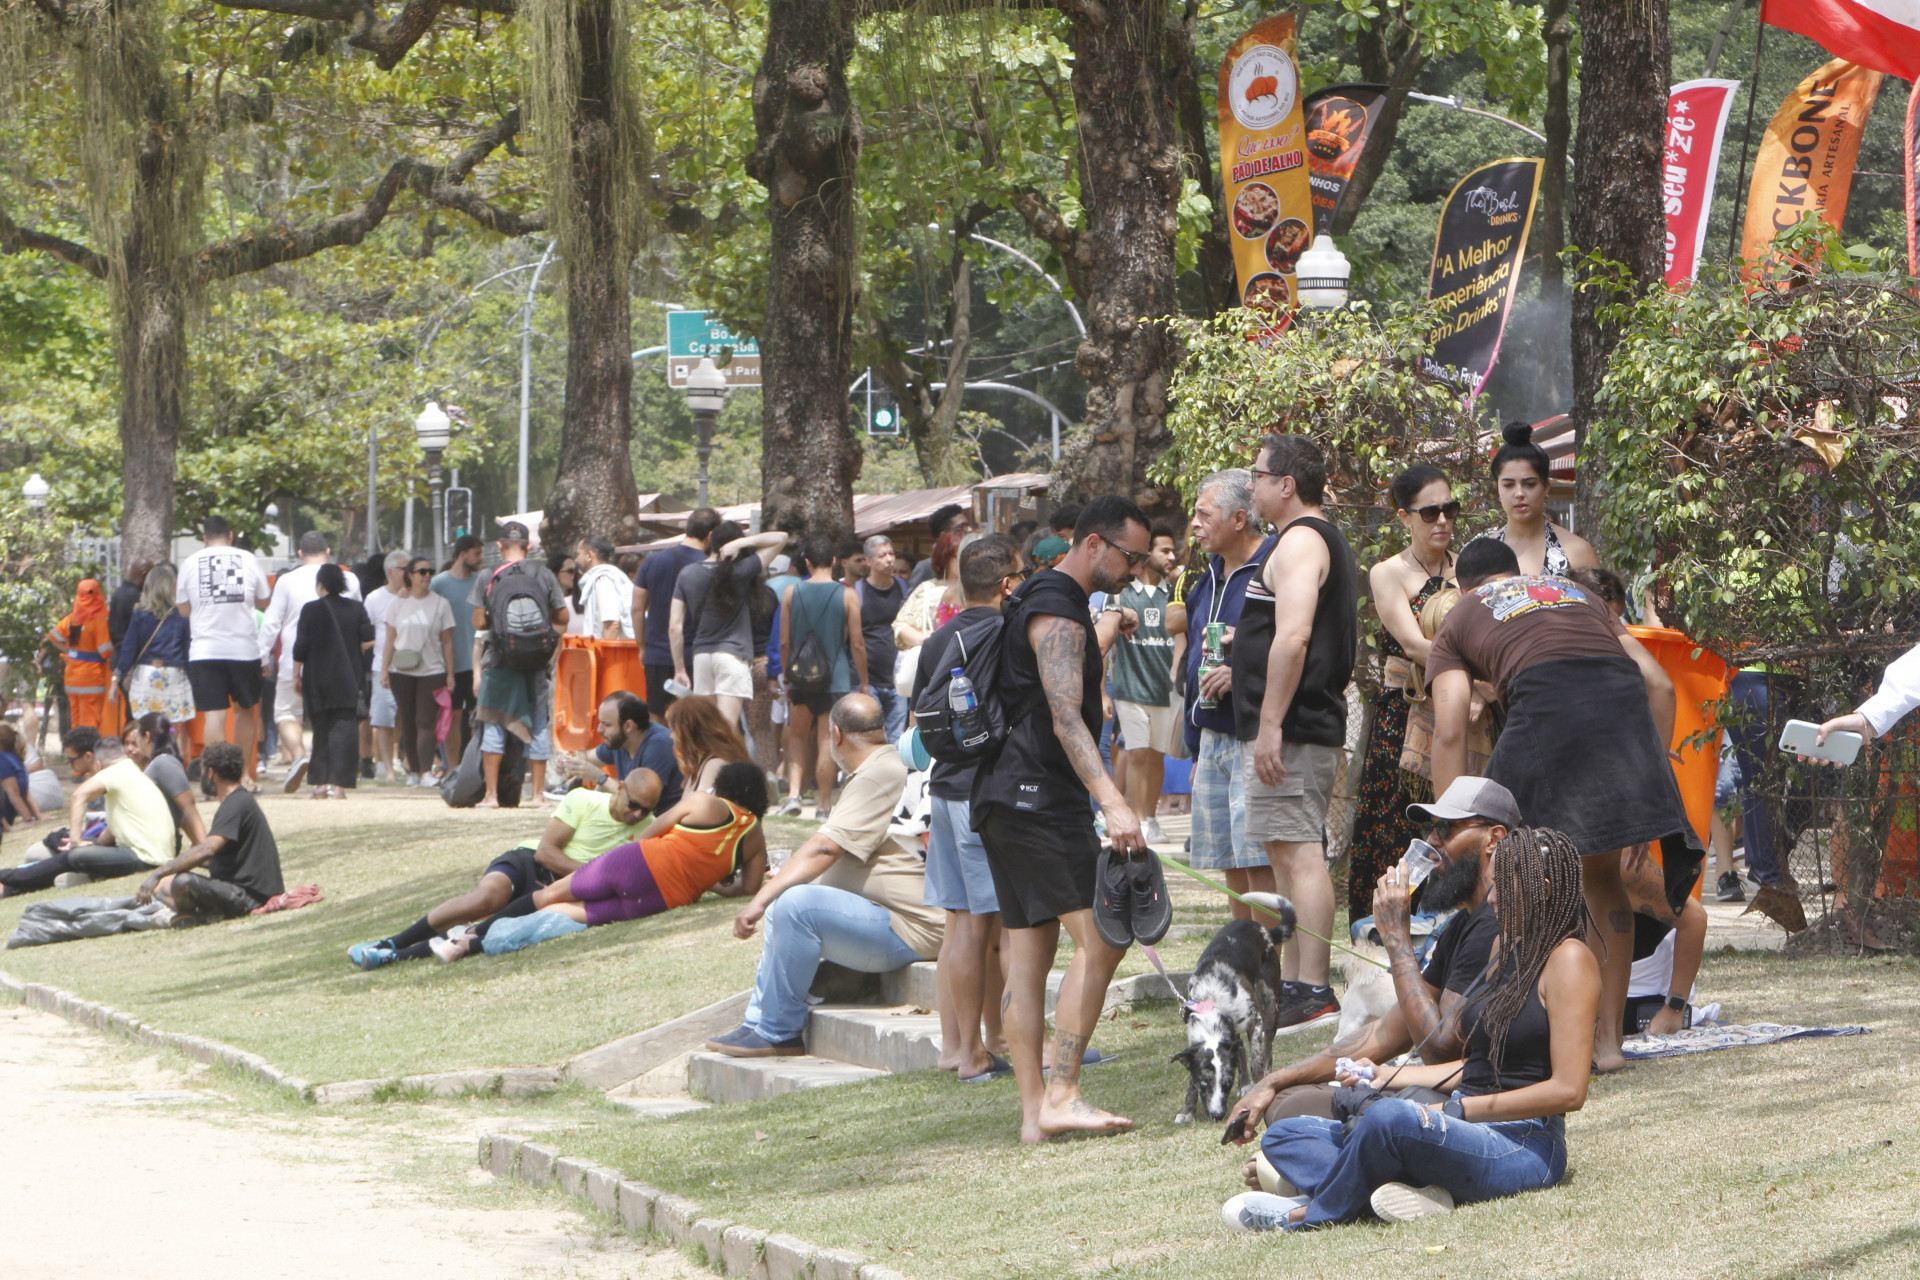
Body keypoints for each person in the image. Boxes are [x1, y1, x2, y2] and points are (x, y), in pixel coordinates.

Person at [1224, 825, 1599, 1232]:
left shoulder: (1570, 960)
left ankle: (1305, 1212)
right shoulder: (1504, 947)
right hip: (1461, 1127)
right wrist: (1384, 1075)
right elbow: (1475, 1065)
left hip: (1522, 1142)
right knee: (1286, 1135)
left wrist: (1454, 1110)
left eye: (1502, 891)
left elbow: (1569, 1090)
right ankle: (1407, 1190)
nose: (1491, 899)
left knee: (1390, 1120)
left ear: (1541, 890)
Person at [1426, 536, 1698, 1072]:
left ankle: (1507, 1038)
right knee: (1601, 881)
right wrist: (1645, 785)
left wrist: (1451, 827)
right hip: (1620, 713)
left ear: (1464, 586)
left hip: (1545, 702)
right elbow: (1659, 685)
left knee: (1509, 874)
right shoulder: (1576, 594)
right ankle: (1607, 1048)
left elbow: (1452, 728)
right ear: (1515, 571)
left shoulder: (1460, 617)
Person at [975, 496, 1152, 1143]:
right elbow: (1064, 713)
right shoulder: (1057, 607)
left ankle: (1033, 1114)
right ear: (1096, 545)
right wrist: (1111, 798)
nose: (1135, 568)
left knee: (1029, 956)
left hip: (1001, 798)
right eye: (1130, 556)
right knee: (1103, 937)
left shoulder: (1043, 600)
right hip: (1039, 799)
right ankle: (1063, 1091)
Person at [1226, 776, 1517, 1132]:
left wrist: (1396, 938)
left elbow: (1441, 1048)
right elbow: (1389, 1033)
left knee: (1294, 1113)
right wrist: (1276, 1080)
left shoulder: (1495, 923)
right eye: (1430, 827)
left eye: (1446, 827)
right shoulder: (1463, 924)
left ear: (1495, 838)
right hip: (1430, 1094)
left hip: (1465, 1109)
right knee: (1289, 1099)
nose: (1431, 840)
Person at [706, 695, 942, 1055]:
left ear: (836, 734)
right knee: (788, 901)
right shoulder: (883, 764)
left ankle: (778, 1032)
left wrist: (759, 899)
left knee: (794, 904)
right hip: (893, 919)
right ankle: (758, 1022)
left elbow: (824, 848)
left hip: (914, 927)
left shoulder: (879, 772)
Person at [1237, 433, 1357, 1029]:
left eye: (1258, 475)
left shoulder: (1302, 541)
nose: (1251, 484)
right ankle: (1293, 984)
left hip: (1295, 727)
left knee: (1301, 853)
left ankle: (1312, 987)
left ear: (1287, 485)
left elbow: (1295, 635)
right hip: (1294, 724)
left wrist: (1270, 724)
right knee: (1284, 852)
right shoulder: (1297, 542)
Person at [425, 763, 769, 960]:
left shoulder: (704, 803)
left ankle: (469, 934)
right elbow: (748, 888)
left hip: (637, 863)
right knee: (578, 914)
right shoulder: (755, 837)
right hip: (663, 897)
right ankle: (470, 947)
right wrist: (705, 880)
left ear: (725, 787)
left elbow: (652, 834)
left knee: (548, 897)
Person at [347, 766, 665, 968]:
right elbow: (546, 853)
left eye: (646, 810)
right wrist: (585, 877)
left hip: (559, 890)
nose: (637, 815)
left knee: (480, 930)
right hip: (528, 862)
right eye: (633, 805)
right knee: (485, 900)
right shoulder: (582, 799)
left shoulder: (648, 829)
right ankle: (394, 941)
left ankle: (390, 957)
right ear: (620, 787)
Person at [915, 534, 1024, 1082]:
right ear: (1006, 584)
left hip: (943, 788)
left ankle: (956, 1048)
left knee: (959, 923)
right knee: (992, 928)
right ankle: (983, 1052)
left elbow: (919, 723)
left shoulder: (938, 640)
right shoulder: (1006, 633)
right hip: (987, 792)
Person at [1349, 465, 1459, 922]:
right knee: (1399, 828)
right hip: (1406, 718)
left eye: (1450, 510)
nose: (1442, 522)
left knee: (1457, 825)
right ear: (1404, 517)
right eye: (1430, 512)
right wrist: (1470, 672)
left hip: (1466, 715)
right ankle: (1387, 936)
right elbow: (1414, 645)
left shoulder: (1467, 566)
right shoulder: (1387, 572)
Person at [1181, 470, 1281, 919]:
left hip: (1252, 735)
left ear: (1240, 518)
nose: (1195, 525)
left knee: (1259, 861)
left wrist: (1237, 668)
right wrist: (1196, 748)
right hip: (1213, 738)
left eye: (1205, 514)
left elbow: (1295, 644)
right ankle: (1242, 967)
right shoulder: (1206, 578)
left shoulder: (1273, 567)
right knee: (1230, 864)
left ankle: (1268, 972)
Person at [470, 521, 569, 808]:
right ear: (528, 547)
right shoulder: (543, 574)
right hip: (536, 662)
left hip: (499, 661)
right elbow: (562, 618)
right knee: (538, 724)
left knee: (494, 721)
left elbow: (478, 621)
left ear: (500, 546)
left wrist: (500, 623)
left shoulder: (488, 576)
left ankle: (491, 796)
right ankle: (538, 795)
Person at [0, 734, 174, 896]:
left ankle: (8, 876)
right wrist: (93, 844)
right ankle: (9, 887)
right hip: (154, 853)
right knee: (77, 849)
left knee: (75, 856)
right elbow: (114, 828)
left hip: (146, 859)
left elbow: (78, 796)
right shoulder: (132, 771)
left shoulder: (114, 772)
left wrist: (76, 841)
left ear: (98, 763)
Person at [134, 741, 286, 921]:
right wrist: (177, 864)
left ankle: (195, 917)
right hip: (248, 893)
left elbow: (207, 849)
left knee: (183, 882)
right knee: (165, 885)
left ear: (211, 773)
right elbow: (222, 859)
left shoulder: (235, 803)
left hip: (251, 898)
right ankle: (192, 914)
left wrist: (158, 873)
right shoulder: (239, 801)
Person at [259, 530, 362, 787]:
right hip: (339, 663)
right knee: (331, 720)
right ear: (328, 552)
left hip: (295, 659)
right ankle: (331, 780)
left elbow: (272, 623)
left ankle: (299, 755)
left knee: (285, 712)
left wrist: (262, 657)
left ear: (300, 554)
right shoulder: (349, 579)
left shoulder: (287, 581)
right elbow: (360, 622)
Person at [1100, 526, 1181, 847]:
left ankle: (1150, 819)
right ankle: (1134, 817)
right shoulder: (1120, 592)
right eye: (1165, 550)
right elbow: (1105, 646)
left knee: (1157, 755)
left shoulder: (1176, 592)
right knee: (1136, 754)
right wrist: (1102, 691)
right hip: (1130, 688)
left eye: (1173, 550)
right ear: (1147, 555)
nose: (1172, 556)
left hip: (1165, 689)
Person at [781, 536, 868, 821]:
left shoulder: (791, 593)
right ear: (834, 561)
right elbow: (856, 643)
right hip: (836, 678)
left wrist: (786, 676)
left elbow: (784, 642)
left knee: (795, 737)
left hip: (800, 678)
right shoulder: (848, 595)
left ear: (806, 562)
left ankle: (793, 795)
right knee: (826, 741)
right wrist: (864, 681)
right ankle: (823, 805)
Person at [671, 522, 788, 726]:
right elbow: (781, 538)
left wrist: (679, 668)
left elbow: (674, 626)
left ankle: (709, 759)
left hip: (701, 657)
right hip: (733, 656)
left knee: (708, 728)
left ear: (711, 541)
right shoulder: (741, 571)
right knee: (727, 728)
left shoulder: (686, 574)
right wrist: (744, 542)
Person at [292, 563, 375, 800]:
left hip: (317, 678)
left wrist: (296, 674)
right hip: (348, 677)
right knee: (345, 731)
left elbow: (301, 646)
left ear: (321, 584)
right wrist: (352, 651)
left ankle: (320, 784)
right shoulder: (356, 608)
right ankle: (340, 787)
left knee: (321, 731)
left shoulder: (310, 610)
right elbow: (369, 640)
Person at [382, 555, 457, 787]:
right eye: (421, 571)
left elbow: (447, 641)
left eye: (429, 571)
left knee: (425, 721)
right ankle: (413, 770)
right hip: (401, 670)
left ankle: (425, 771)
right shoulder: (398, 603)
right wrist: (384, 670)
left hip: (432, 670)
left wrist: (450, 674)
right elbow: (390, 639)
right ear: (410, 575)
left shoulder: (440, 604)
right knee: (408, 721)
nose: (426, 576)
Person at [636, 510, 718, 718]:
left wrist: (642, 647)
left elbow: (637, 608)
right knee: (693, 720)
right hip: (695, 655)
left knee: (657, 717)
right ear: (711, 535)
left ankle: (662, 751)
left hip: (657, 654)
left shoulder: (652, 562)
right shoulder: (711, 567)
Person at [1489, 422, 1596, 577]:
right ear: (1497, 489)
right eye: (1508, 485)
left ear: (1546, 486)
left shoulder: (1577, 552)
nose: (1519, 493)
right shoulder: (1483, 555)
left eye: (1529, 484)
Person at [557, 692, 684, 808]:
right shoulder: (620, 740)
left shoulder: (659, 746)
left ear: (628, 726)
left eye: (607, 724)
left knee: (600, 790)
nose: (599, 730)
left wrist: (600, 777)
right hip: (641, 819)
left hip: (660, 822)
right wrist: (568, 760)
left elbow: (639, 804)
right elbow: (588, 757)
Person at [430, 534, 486, 767]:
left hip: (477, 664)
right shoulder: (439, 584)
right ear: (463, 555)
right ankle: (451, 767)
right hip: (449, 664)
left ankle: (473, 768)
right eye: (476, 553)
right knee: (452, 717)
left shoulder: (480, 581)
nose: (480, 558)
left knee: (477, 718)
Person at [114, 563, 193, 727]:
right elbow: (187, 649)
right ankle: (169, 750)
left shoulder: (139, 614)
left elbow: (129, 648)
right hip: (174, 674)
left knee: (145, 725)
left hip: (145, 674)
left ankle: (148, 751)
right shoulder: (182, 615)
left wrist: (117, 678)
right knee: (172, 725)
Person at [125, 713, 207, 852]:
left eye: (136, 736)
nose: (135, 743)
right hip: (147, 841)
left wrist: (203, 847)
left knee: (80, 856)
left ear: (147, 736)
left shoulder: (164, 763)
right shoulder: (157, 763)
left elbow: (187, 806)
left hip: (154, 846)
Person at [365, 550, 411, 783]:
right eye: (405, 568)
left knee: (405, 716)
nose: (410, 572)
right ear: (390, 572)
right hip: (382, 667)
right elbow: (365, 634)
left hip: (413, 666)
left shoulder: (417, 596)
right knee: (383, 718)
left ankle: (398, 759)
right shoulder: (374, 599)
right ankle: (386, 767)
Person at [855, 535, 907, 741]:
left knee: (896, 739)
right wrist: (862, 681)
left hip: (897, 679)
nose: (889, 559)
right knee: (870, 738)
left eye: (891, 554)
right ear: (868, 561)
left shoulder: (903, 588)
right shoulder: (858, 592)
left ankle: (895, 774)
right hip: (868, 681)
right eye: (882, 555)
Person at [48, 580, 115, 733]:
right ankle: (87, 752)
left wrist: (71, 652)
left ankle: (75, 752)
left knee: (75, 721)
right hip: (91, 679)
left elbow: (53, 637)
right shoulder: (99, 620)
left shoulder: (72, 618)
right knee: (89, 722)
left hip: (72, 678)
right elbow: (105, 651)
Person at [665, 695, 752, 795]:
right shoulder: (697, 765)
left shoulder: (714, 764)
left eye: (673, 731)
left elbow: (701, 807)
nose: (671, 736)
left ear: (688, 733)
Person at [577, 535, 636, 640]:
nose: (576, 559)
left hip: (613, 654)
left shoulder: (603, 580)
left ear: (589, 555)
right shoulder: (603, 578)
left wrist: (605, 655)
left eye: (578, 554)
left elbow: (612, 625)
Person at [906, 504, 972, 592]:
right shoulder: (925, 568)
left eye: (968, 526)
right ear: (943, 535)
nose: (969, 530)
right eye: (962, 527)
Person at [0, 722, 41, 830]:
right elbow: (23, 794)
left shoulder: (2, 760)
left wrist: (29, 820)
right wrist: (35, 817)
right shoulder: (14, 758)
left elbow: (13, 792)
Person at [107, 557, 155, 648]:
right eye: (151, 577)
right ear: (143, 575)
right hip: (129, 652)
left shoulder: (120, 591)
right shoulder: (136, 597)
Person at [549, 549, 587, 637]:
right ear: (555, 574)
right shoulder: (554, 604)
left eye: (576, 572)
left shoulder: (581, 601)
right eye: (570, 571)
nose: (575, 575)